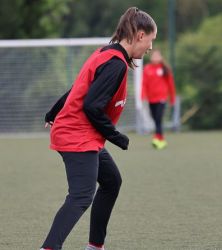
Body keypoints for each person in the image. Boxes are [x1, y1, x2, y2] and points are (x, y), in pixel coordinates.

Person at [40, 7, 157, 250]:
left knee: (111, 181)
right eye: (151, 41)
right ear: (140, 35)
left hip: (84, 134)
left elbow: (78, 87)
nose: (150, 48)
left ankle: (95, 246)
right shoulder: (116, 64)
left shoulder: (106, 53)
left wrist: (53, 112)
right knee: (81, 196)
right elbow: (92, 106)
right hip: (77, 135)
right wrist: (116, 137)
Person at [141, 49, 176, 149]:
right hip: (151, 99)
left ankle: (157, 138)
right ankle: (161, 139)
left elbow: (171, 85)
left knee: (158, 118)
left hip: (162, 98)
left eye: (157, 56)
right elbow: (144, 84)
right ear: (151, 57)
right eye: (154, 56)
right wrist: (143, 95)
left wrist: (172, 98)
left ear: (161, 58)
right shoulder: (147, 68)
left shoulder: (165, 69)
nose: (156, 58)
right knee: (155, 118)